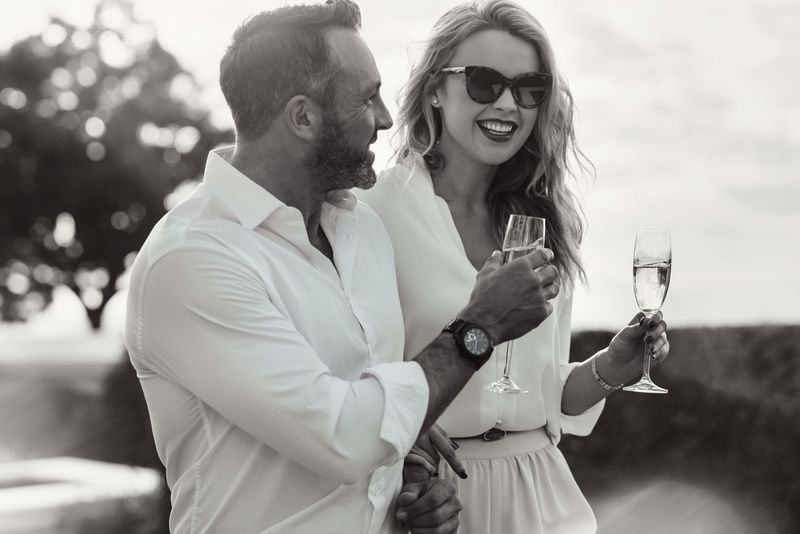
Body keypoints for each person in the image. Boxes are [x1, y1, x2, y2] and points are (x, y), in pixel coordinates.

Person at [123, 1, 561, 532]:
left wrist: (412, 475)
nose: (385, 117)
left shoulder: (361, 231)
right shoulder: (193, 262)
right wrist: (481, 326)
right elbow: (345, 437)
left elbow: (374, 407)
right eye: (366, 99)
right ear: (303, 117)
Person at [358, 1, 671, 533]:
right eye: (484, 82)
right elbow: (350, 383)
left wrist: (609, 370)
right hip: (434, 497)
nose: (508, 103)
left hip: (544, 496)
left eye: (529, 88)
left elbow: (543, 399)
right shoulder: (374, 214)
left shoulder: (542, 220)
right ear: (435, 89)